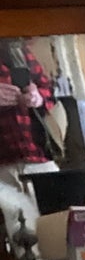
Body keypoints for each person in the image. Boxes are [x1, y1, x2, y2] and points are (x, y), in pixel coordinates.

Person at [0, 39, 58, 192]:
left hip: (38, 158)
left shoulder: (16, 49)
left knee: (59, 213)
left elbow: (49, 90)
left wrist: (38, 97)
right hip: (3, 168)